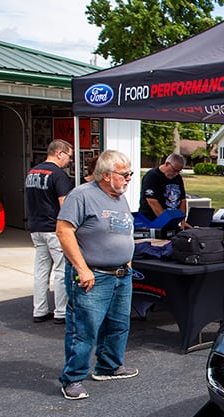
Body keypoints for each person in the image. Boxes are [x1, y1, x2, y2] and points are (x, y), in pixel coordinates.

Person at [56, 150, 138, 400]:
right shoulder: (81, 195)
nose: (129, 178)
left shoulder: (119, 196)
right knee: (84, 329)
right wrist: (82, 269)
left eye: (130, 173)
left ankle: (109, 366)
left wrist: (128, 261)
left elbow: (123, 232)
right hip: (95, 275)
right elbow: (63, 231)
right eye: (124, 174)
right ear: (106, 175)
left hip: (121, 274)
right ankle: (72, 379)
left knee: (118, 324)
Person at [24, 139, 75, 324]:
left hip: (36, 227)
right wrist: (70, 228)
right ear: (59, 153)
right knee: (61, 270)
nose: (69, 160)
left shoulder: (32, 172)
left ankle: (40, 309)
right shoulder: (58, 175)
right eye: (69, 156)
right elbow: (64, 203)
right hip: (54, 228)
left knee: (41, 270)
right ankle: (61, 312)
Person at [139, 153, 188, 227]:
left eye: (179, 171)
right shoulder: (152, 176)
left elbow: (182, 200)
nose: (176, 174)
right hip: (152, 220)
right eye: (174, 170)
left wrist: (182, 221)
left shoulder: (178, 178)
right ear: (167, 164)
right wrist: (166, 221)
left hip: (171, 220)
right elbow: (152, 202)